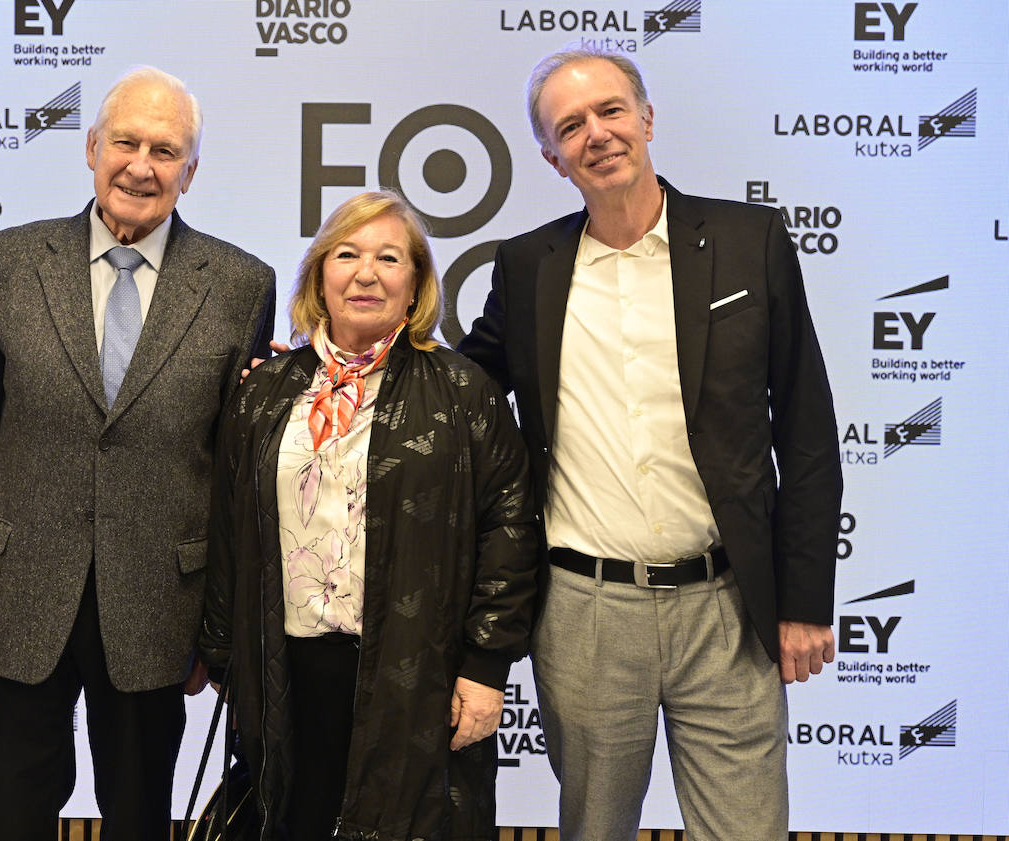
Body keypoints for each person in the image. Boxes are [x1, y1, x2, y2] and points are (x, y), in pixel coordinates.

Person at [458, 49, 842, 841]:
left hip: (728, 606)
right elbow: (458, 384)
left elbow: (805, 427)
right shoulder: (528, 266)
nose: (596, 134)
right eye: (571, 126)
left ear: (647, 118)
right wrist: (319, 367)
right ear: (550, 157)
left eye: (610, 111)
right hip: (585, 613)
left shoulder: (750, 240)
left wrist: (804, 601)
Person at [0, 66, 275, 841]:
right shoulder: (11, 262)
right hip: (18, 599)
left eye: (166, 149)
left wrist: (215, 628)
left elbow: (233, 477)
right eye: (127, 141)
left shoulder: (243, 285)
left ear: (192, 171)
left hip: (158, 610)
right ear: (90, 147)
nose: (142, 165)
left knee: (140, 820)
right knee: (10, 821)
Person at [199, 190, 540, 841]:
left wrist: (485, 665)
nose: (365, 272)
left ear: (415, 286)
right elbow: (228, 531)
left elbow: (511, 530)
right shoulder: (265, 392)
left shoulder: (466, 392)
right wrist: (226, 660)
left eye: (389, 257)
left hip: (419, 679)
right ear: (318, 276)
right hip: (287, 678)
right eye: (347, 253)